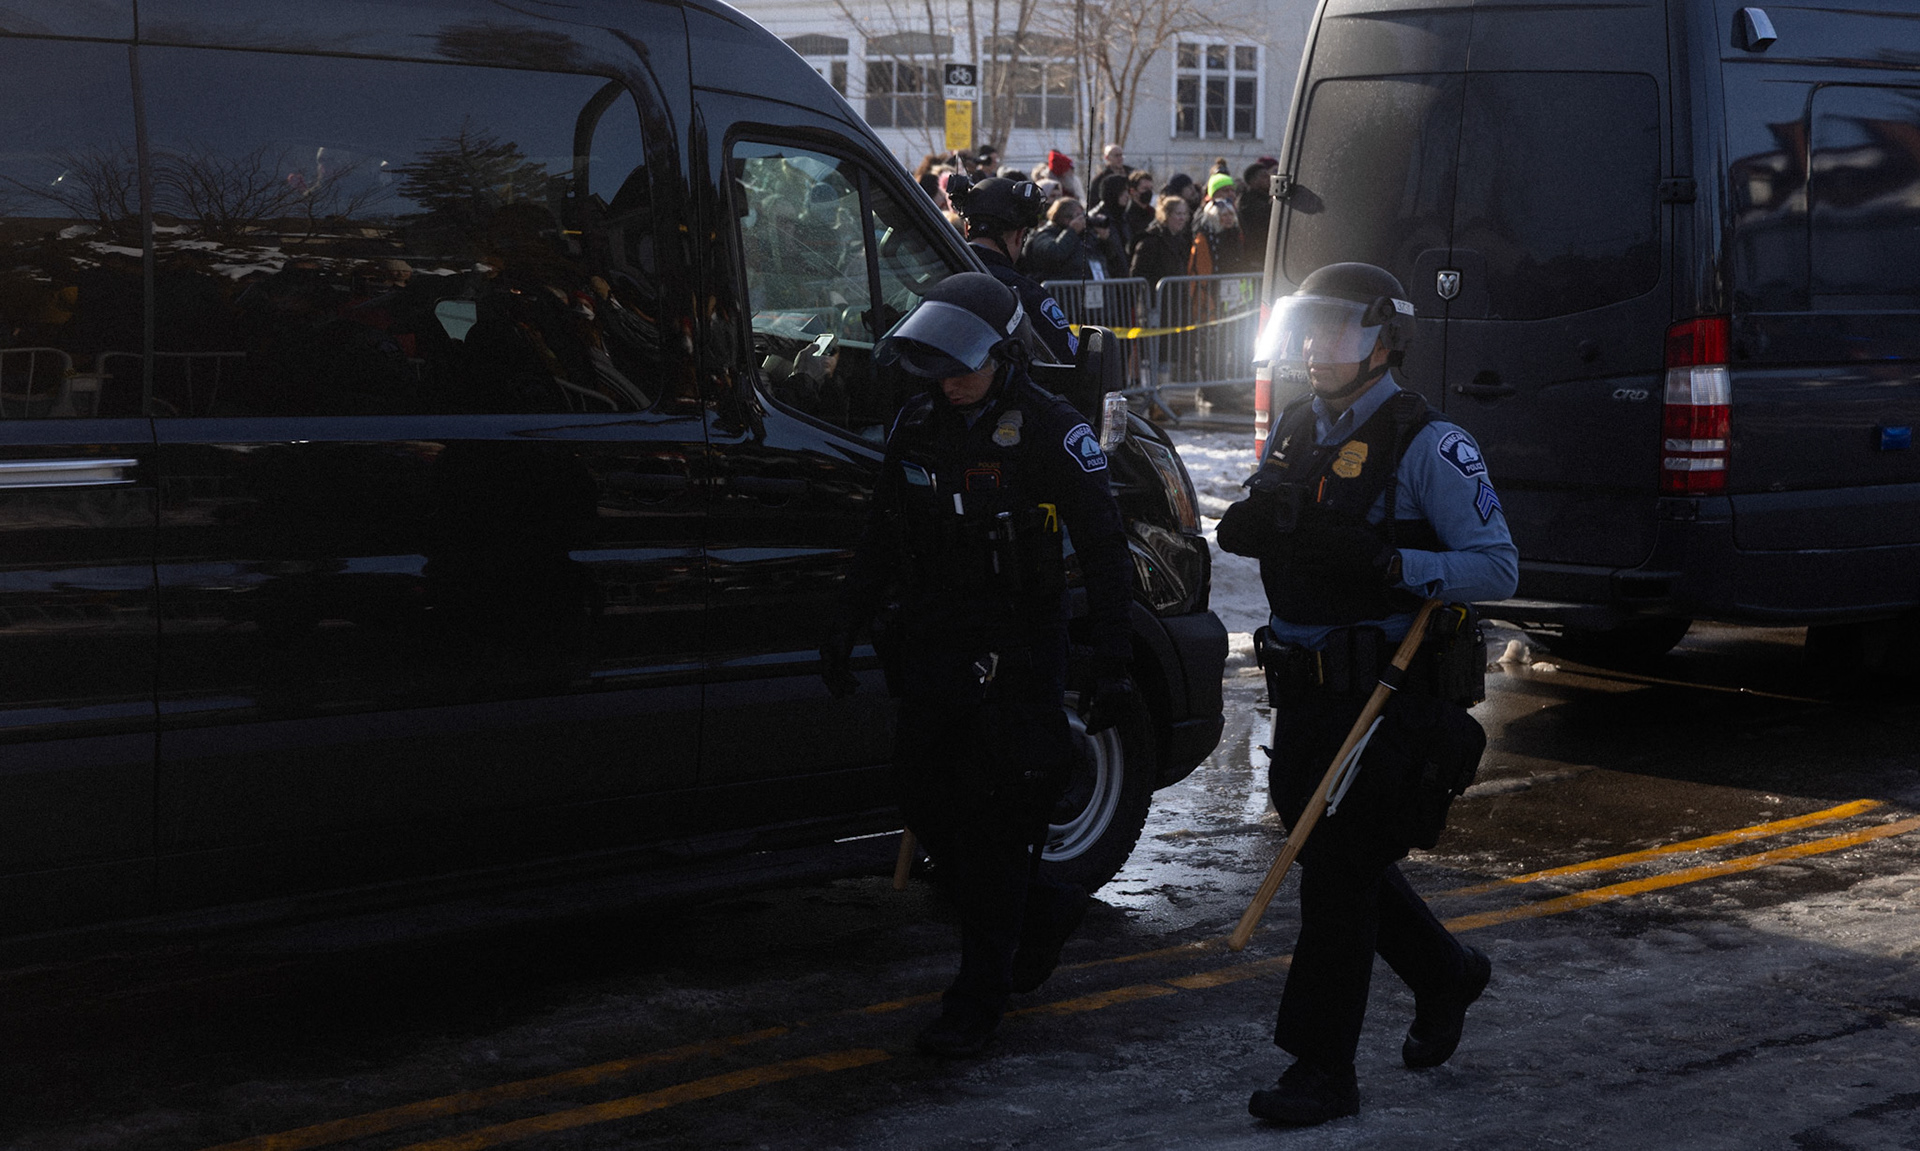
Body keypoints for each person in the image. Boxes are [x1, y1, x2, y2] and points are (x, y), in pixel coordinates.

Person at [1215, 262, 1518, 1126]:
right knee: (1331, 854)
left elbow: (1498, 566)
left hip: (1388, 693)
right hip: (1306, 689)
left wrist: (1395, 565)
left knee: (1338, 875)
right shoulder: (1299, 427)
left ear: (1384, 342)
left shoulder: (1431, 444)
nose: (1315, 346)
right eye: (1308, 329)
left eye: (1336, 330)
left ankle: (1322, 1069)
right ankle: (1446, 972)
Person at [819, 272, 1135, 1057]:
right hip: (936, 643)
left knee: (995, 827)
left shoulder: (1052, 430)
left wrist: (1114, 662)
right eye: (939, 365)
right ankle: (1046, 906)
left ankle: (976, 1001)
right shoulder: (919, 420)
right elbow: (882, 534)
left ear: (1005, 354)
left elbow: (1105, 550)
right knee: (924, 797)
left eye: (965, 365)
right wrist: (846, 620)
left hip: (1016, 652)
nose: (951, 380)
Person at [949, 175, 1078, 364]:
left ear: (967, 228)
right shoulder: (1027, 295)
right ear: (1019, 235)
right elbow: (1069, 361)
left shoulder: (937, 279)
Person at [1017, 198, 1091, 284]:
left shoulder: (1082, 236)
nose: (1083, 220)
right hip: (1059, 289)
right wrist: (1072, 231)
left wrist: (1102, 238)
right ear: (1065, 218)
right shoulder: (1043, 235)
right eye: (1078, 216)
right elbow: (1054, 253)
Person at [1127, 194, 1190, 288]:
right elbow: (1138, 274)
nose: (1182, 218)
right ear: (1166, 215)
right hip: (1156, 294)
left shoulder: (1181, 241)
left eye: (1184, 214)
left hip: (1176, 294)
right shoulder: (1151, 240)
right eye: (1178, 214)